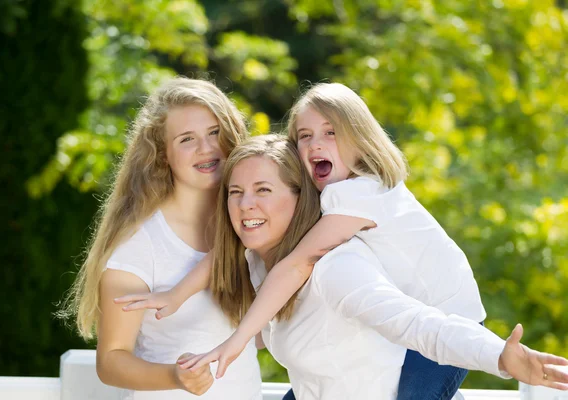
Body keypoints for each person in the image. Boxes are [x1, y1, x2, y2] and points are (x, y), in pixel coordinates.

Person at [116, 84, 568, 398]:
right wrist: (174, 297)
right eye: (235, 193)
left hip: (451, 317)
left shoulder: (350, 221)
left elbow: (418, 325)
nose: (245, 206)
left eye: (264, 190)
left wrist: (503, 360)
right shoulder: (287, 233)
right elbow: (229, 256)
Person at [59, 77, 262, 400]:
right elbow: (111, 360)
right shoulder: (140, 243)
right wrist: (175, 376)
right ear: (162, 154)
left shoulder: (249, 225)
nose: (207, 148)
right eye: (186, 139)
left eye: (214, 132)